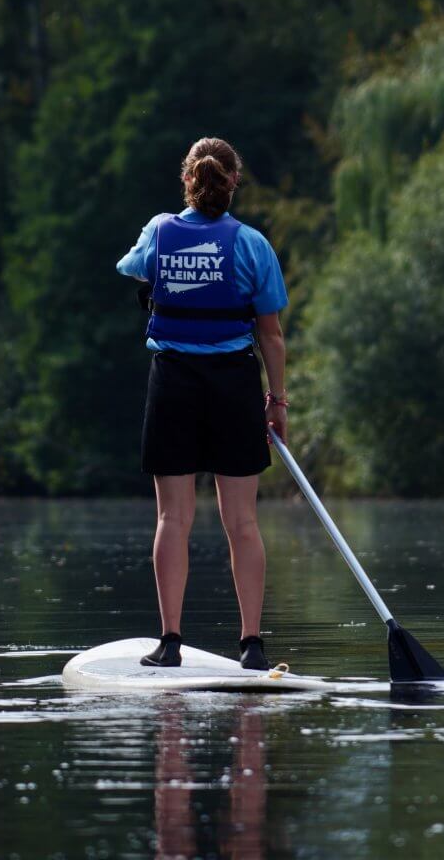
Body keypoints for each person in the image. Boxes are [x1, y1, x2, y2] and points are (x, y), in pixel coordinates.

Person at [116, 136, 288, 670]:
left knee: (173, 518)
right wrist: (276, 401)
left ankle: (170, 642)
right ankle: (252, 646)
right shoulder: (252, 244)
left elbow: (132, 267)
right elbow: (272, 335)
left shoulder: (159, 231)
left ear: (188, 179)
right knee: (242, 522)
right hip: (234, 384)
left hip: (174, 383)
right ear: (233, 182)